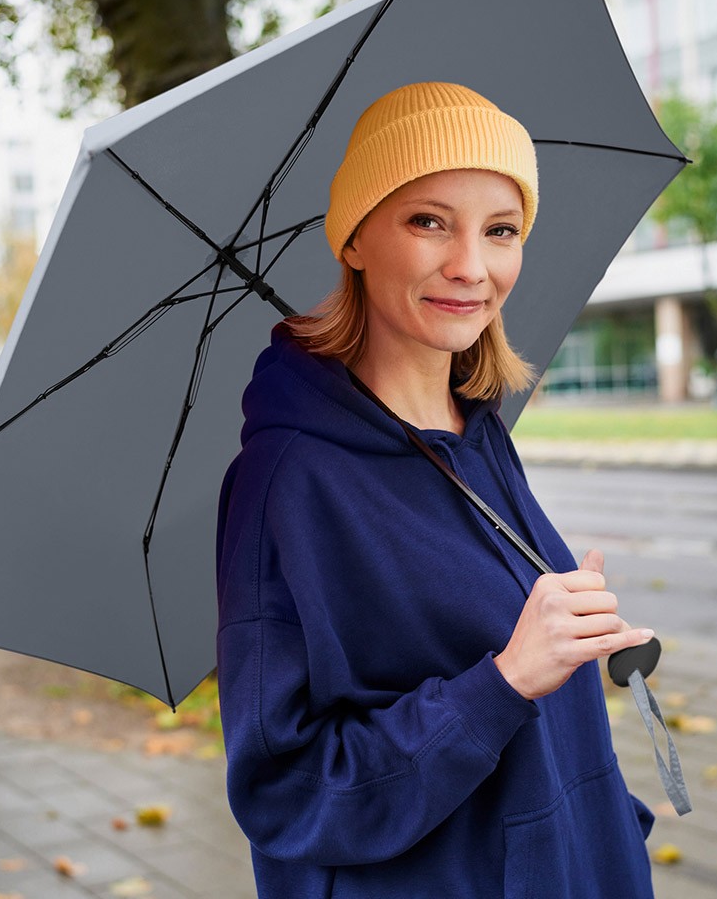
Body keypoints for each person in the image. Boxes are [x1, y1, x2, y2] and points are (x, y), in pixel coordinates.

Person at [216, 82, 656, 898]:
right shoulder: (287, 482)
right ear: (354, 239)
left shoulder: (481, 432)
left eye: (502, 231)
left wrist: (604, 825)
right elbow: (287, 789)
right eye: (428, 222)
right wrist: (507, 680)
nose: (471, 267)